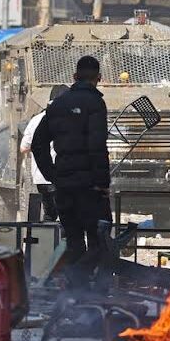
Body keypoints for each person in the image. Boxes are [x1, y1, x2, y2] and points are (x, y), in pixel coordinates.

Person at [32, 56, 112, 288]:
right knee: (100, 239)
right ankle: (83, 282)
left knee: (75, 241)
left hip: (65, 185)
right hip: (90, 187)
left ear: (75, 77)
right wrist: (102, 183)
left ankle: (76, 295)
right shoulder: (96, 103)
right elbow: (97, 146)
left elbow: (38, 144)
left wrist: (53, 175)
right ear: (99, 78)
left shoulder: (57, 105)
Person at [19, 85, 69, 222]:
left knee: (50, 215)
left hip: (42, 178)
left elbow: (23, 148)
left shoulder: (36, 120)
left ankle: (47, 234)